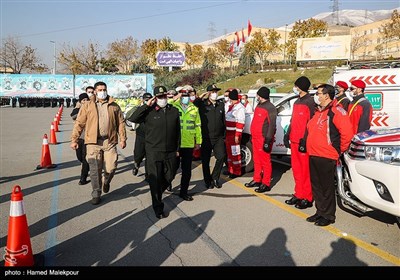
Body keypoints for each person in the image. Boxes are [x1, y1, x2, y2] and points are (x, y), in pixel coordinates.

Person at [70, 81, 127, 205]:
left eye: (104, 89)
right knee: (95, 168)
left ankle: (106, 181)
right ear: (95, 91)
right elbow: (79, 123)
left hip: (109, 141)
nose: (103, 92)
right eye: (100, 90)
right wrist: (74, 139)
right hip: (92, 142)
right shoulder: (87, 105)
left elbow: (121, 123)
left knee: (111, 167)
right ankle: (96, 192)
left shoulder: (114, 105)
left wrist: (123, 138)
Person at [128, 86, 180, 219]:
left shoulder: (173, 111)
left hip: (170, 151)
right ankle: (158, 207)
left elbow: (177, 131)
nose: (163, 99)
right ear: (155, 98)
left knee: (170, 176)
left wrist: (178, 149)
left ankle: (157, 192)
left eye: (165, 96)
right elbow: (133, 118)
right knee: (155, 180)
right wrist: (146, 105)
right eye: (160, 97)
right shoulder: (148, 112)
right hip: (154, 151)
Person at [305, 84, 353, 226]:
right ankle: (320, 211)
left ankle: (328, 215)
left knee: (326, 187)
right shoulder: (318, 111)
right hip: (314, 154)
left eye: (319, 93)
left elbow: (347, 134)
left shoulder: (336, 111)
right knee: (317, 186)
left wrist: (338, 150)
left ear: (326, 95)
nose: (317, 95)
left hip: (327, 155)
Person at [283, 76, 315, 209]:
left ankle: (307, 197)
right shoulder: (297, 102)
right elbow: (293, 120)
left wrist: (305, 139)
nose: (295, 88)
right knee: (296, 170)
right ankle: (299, 193)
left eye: (296, 86)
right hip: (294, 140)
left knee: (305, 170)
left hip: (303, 141)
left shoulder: (310, 102)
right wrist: (287, 134)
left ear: (301, 87)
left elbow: (311, 123)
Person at [172, 85, 202, 201]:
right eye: (183, 95)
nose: (185, 97)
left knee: (186, 170)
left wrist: (198, 141)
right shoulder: (174, 107)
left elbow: (198, 126)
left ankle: (183, 192)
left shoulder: (194, 109)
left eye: (186, 95)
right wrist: (176, 96)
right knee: (172, 168)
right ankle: (167, 183)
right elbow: (167, 102)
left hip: (189, 144)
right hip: (176, 144)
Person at [245, 87, 277, 193]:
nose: (257, 97)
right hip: (255, 138)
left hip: (263, 139)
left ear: (261, 95)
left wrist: (268, 140)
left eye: (258, 95)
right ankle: (257, 179)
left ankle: (266, 183)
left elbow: (272, 125)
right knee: (257, 160)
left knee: (265, 161)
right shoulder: (259, 105)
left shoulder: (270, 108)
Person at [194, 84, 226, 189]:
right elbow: (194, 104)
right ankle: (207, 180)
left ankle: (215, 177)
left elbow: (223, 120)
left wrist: (224, 134)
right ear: (208, 93)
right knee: (205, 160)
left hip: (218, 137)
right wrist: (201, 97)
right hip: (206, 137)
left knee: (221, 157)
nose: (215, 94)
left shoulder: (220, 104)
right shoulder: (203, 104)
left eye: (216, 91)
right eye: (212, 92)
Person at [224, 88, 245, 178]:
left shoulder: (239, 108)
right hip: (228, 133)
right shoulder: (231, 106)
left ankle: (237, 171)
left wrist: (237, 135)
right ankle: (230, 169)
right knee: (229, 153)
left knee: (235, 153)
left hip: (234, 134)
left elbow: (241, 123)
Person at [70, 93, 90, 185]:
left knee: (86, 158)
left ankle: (83, 178)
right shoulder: (77, 110)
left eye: (87, 99)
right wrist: (81, 109)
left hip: (88, 138)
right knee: (80, 157)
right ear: (80, 101)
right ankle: (88, 166)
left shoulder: (91, 109)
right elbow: (73, 116)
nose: (85, 101)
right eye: (83, 100)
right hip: (79, 137)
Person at [131, 92, 153, 177]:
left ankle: (149, 175)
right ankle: (136, 164)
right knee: (138, 154)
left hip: (151, 137)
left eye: (149, 99)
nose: (148, 101)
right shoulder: (140, 109)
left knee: (149, 157)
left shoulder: (154, 109)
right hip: (141, 136)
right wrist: (145, 106)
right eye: (146, 100)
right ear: (143, 100)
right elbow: (132, 117)